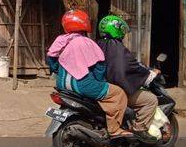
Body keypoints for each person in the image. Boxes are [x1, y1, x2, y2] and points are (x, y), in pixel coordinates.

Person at [47, 9, 131, 138]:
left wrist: (58, 71)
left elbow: (51, 60)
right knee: (118, 93)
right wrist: (101, 83)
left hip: (61, 85)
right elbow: (99, 67)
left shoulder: (60, 40)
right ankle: (114, 129)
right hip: (83, 85)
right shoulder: (87, 42)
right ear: (85, 24)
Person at [97, 15, 159, 143]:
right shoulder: (117, 48)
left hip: (100, 86)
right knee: (150, 100)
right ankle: (140, 129)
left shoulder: (98, 44)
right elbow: (127, 69)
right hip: (115, 89)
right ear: (116, 29)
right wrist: (149, 74)